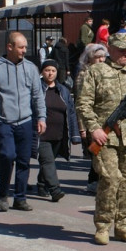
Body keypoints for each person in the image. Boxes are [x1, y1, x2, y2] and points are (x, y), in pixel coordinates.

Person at [76, 32, 126, 245]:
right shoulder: (96, 72)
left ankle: (125, 226)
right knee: (110, 179)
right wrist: (94, 129)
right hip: (105, 137)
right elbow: (83, 104)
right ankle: (103, 226)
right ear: (111, 49)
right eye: (122, 51)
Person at [0, 31, 46, 212]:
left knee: (24, 160)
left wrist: (41, 117)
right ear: (9, 47)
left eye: (26, 47)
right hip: (5, 122)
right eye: (21, 47)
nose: (24, 50)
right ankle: (3, 195)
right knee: (7, 156)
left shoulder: (31, 68)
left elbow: (37, 95)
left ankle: (20, 197)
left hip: (26, 121)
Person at [34, 59, 81, 203]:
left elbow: (71, 112)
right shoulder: (37, 89)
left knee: (49, 161)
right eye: (47, 70)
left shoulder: (63, 90)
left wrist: (75, 134)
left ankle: (42, 184)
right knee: (48, 161)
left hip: (59, 134)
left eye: (53, 71)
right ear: (42, 72)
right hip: (42, 134)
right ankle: (55, 190)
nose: (50, 73)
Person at [73, 42, 110, 194]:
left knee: (101, 152)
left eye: (103, 57)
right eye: (97, 57)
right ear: (90, 59)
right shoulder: (84, 75)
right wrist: (82, 127)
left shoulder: (106, 73)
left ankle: (96, 180)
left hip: (105, 119)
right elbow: (81, 102)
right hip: (91, 121)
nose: (101, 60)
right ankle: (93, 182)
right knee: (97, 152)